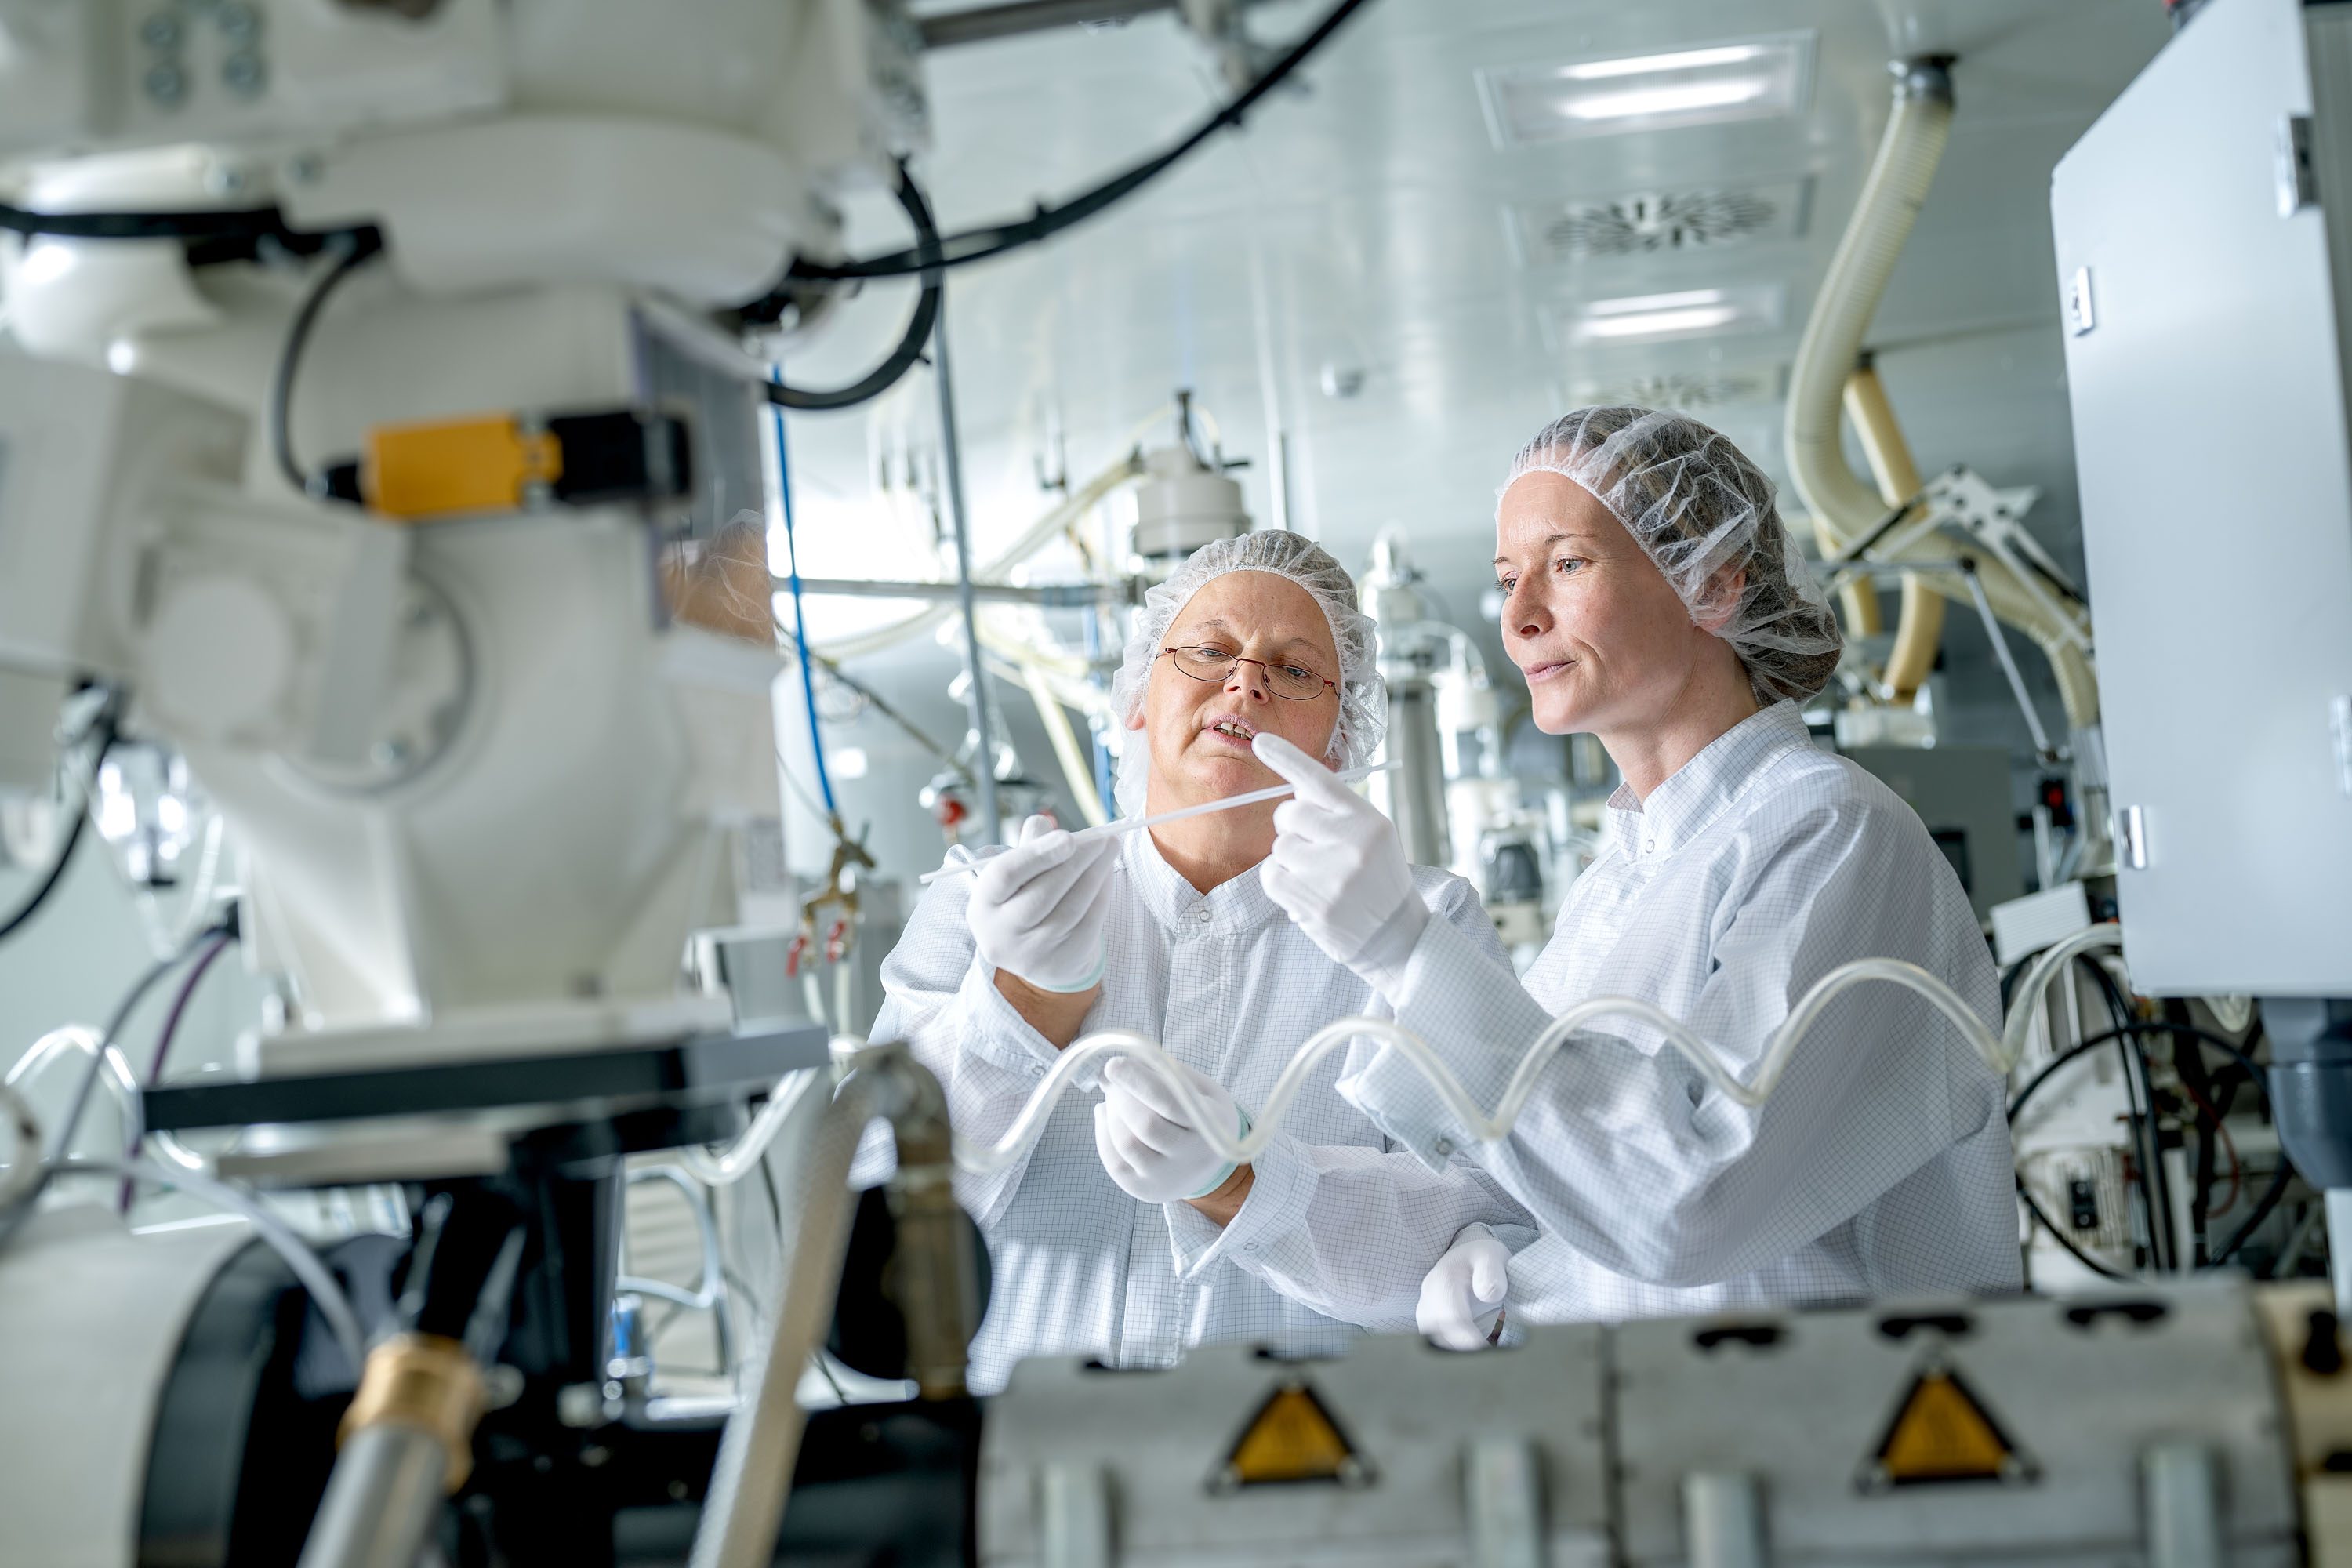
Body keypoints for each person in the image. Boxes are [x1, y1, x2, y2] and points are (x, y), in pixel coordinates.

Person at [1252, 406, 2016, 1349]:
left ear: (1714, 582)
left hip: (1846, 1415)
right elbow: (1530, 1177)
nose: (1519, 617)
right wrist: (1236, 1180)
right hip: (1653, 1415)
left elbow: (1689, 1199)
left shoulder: (1829, 831)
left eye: (1568, 563)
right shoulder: (1622, 878)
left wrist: (1410, 952)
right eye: (1508, 579)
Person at [862, 530, 1529, 1394]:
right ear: (1140, 695)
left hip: (1307, 1446)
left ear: (1339, 741)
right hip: (1024, 1443)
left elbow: (1485, 1227)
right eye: (1209, 651)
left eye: (1295, 669)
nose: (1245, 681)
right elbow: (867, 1222)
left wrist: (1243, 1183)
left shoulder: (1420, 925)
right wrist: (1017, 1007)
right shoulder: (984, 903)